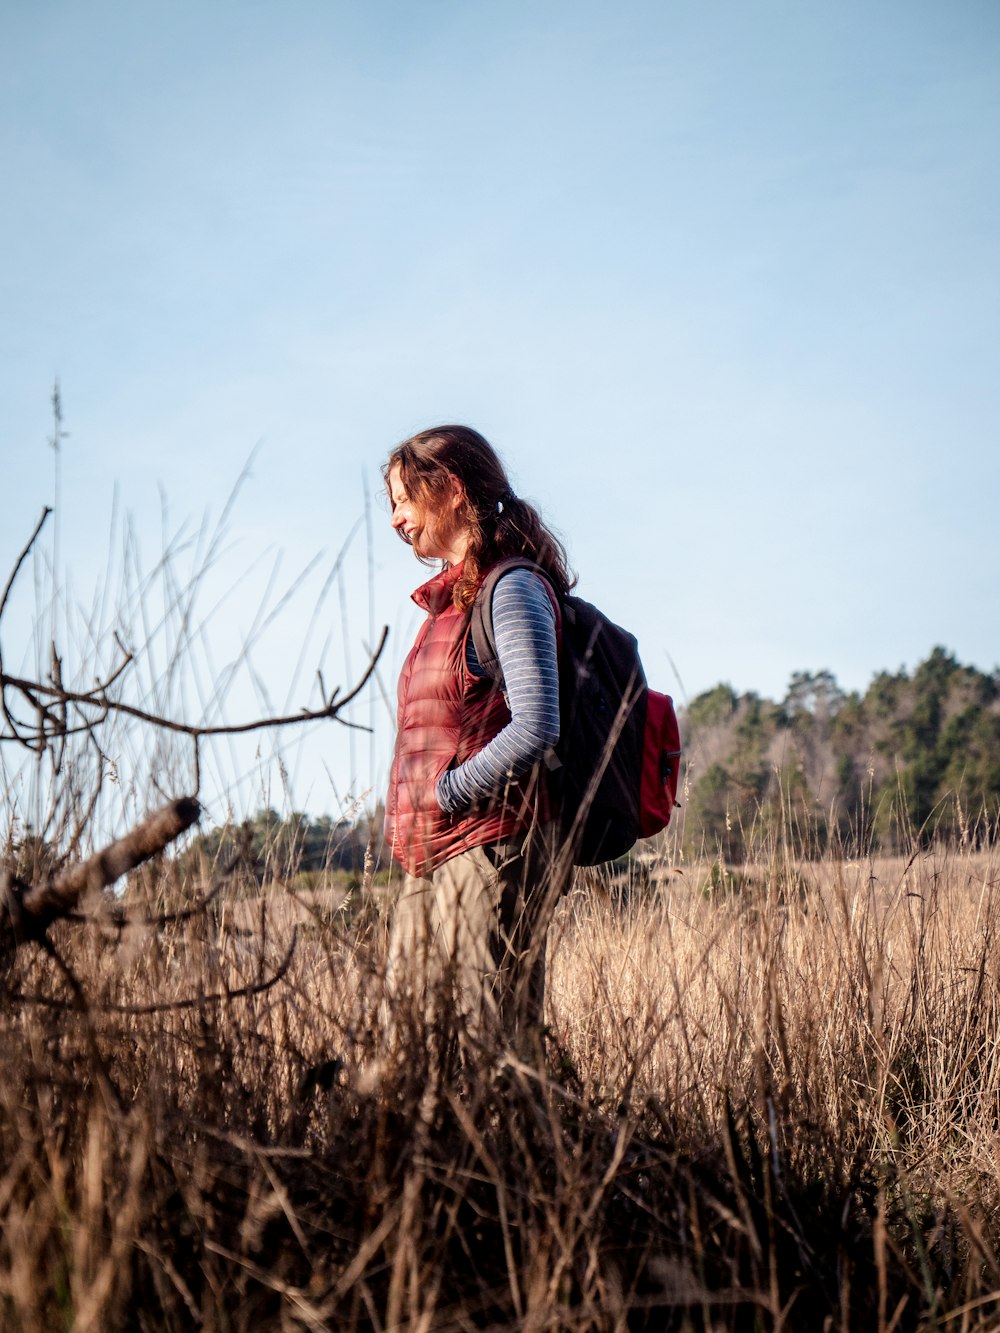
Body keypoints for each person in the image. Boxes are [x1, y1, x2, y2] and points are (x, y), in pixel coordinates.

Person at [382, 424, 574, 1047]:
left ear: (452, 489)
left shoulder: (510, 590)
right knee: (405, 1057)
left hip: (492, 850)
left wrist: (450, 793)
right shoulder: (448, 606)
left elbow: (538, 724)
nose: (395, 520)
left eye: (403, 499)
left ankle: (537, 1150)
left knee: (493, 1056)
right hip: (431, 857)